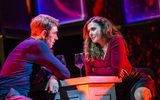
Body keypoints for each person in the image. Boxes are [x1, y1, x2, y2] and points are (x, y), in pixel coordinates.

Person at [83, 16, 156, 100]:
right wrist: (107, 70)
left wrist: (95, 70)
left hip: (132, 81)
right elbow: (89, 75)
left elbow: (115, 71)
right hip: (114, 88)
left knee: (140, 95)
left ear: (104, 29)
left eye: (93, 29)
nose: (90, 33)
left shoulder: (116, 41)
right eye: (88, 31)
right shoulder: (89, 49)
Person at [0, 14, 70, 100]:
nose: (57, 38)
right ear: (44, 33)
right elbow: (65, 74)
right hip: (10, 96)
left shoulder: (29, 44)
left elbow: (44, 71)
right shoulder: (37, 45)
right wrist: (55, 75)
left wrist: (52, 77)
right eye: (54, 33)